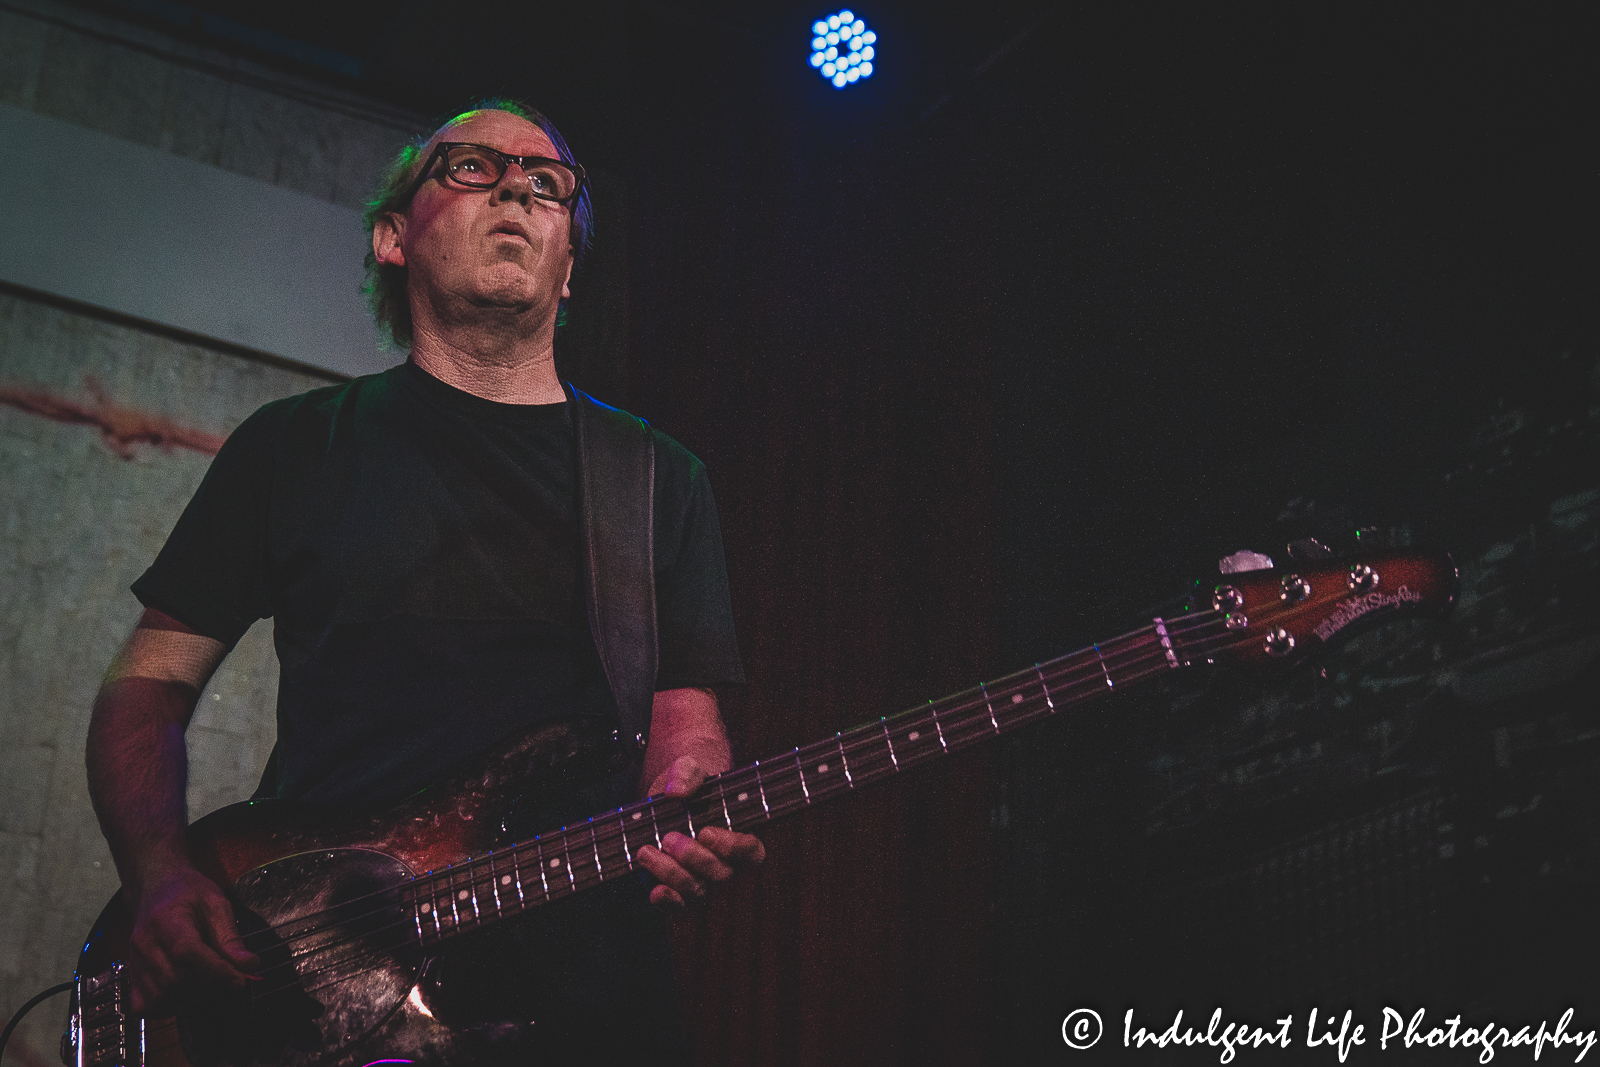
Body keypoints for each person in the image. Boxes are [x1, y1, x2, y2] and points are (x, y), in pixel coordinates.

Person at [85, 99, 763, 1061]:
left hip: (581, 997)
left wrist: (688, 789)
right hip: (324, 983)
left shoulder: (660, 481)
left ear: (568, 269)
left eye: (549, 183)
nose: (519, 188)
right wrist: (157, 871)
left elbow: (683, 730)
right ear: (393, 235)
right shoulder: (292, 448)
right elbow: (146, 684)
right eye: (473, 168)